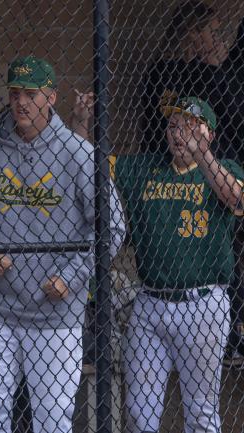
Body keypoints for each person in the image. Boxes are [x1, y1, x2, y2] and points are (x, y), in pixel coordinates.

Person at [0, 57, 125, 433]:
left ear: (51, 97)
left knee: (52, 421)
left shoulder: (79, 154)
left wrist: (72, 276)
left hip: (56, 313)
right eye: (15, 93)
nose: (21, 102)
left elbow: (112, 226)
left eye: (32, 94)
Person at [116, 96, 240, 433]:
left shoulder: (224, 169)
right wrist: (83, 123)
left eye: (189, 126)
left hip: (201, 304)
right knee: (139, 416)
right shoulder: (145, 167)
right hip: (150, 302)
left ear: (209, 134)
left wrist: (202, 156)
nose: (179, 133)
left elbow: (236, 198)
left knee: (200, 413)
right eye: (173, 125)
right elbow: (93, 166)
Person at [138, 0, 242, 159]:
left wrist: (216, 71)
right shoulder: (163, 70)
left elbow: (234, 116)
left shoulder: (210, 69)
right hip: (173, 156)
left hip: (218, 159)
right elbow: (167, 110)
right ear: (193, 32)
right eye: (213, 33)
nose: (220, 40)